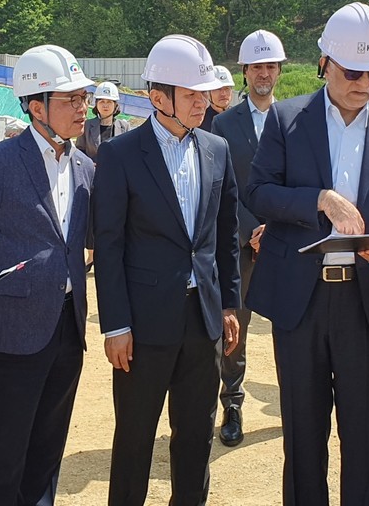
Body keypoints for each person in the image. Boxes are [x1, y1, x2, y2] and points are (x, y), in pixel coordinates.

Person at [245, 3, 369, 505]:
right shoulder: (287, 120)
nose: (364, 82)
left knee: (366, 435)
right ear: (325, 61)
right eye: (353, 71)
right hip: (301, 303)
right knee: (303, 434)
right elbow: (258, 192)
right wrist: (318, 200)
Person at [93, 34, 240, 506]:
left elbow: (225, 235)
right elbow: (109, 247)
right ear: (158, 98)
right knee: (135, 438)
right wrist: (115, 323)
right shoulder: (120, 156)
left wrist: (230, 306)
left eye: (205, 92)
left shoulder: (217, 150)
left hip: (203, 322)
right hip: (143, 326)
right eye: (192, 94)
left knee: (195, 437)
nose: (202, 102)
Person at [0, 45, 95, 506]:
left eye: (83, 98)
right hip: (9, 332)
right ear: (37, 106)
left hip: (67, 327)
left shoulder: (85, 167)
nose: (82, 107)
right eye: (70, 99)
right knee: (3, 457)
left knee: (47, 452)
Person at [211, 28, 286, 448]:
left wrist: (273, 228)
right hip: (240, 246)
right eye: (257, 66)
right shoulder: (223, 123)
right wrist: (249, 230)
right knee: (234, 330)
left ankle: (296, 400)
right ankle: (233, 404)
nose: (263, 73)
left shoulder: (295, 117)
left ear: (278, 71)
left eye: (270, 66)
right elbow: (222, 186)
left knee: (291, 328)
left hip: (285, 242)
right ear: (245, 71)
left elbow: (299, 182)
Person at [76, 80, 130, 160]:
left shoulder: (124, 127)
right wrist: (90, 164)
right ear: (96, 104)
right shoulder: (86, 126)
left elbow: (129, 152)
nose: (105, 105)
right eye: (102, 102)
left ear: (115, 105)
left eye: (109, 102)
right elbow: (79, 151)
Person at [201, 65, 235, 131]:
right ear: (208, 92)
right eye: (218, 89)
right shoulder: (200, 121)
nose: (223, 94)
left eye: (227, 88)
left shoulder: (240, 117)